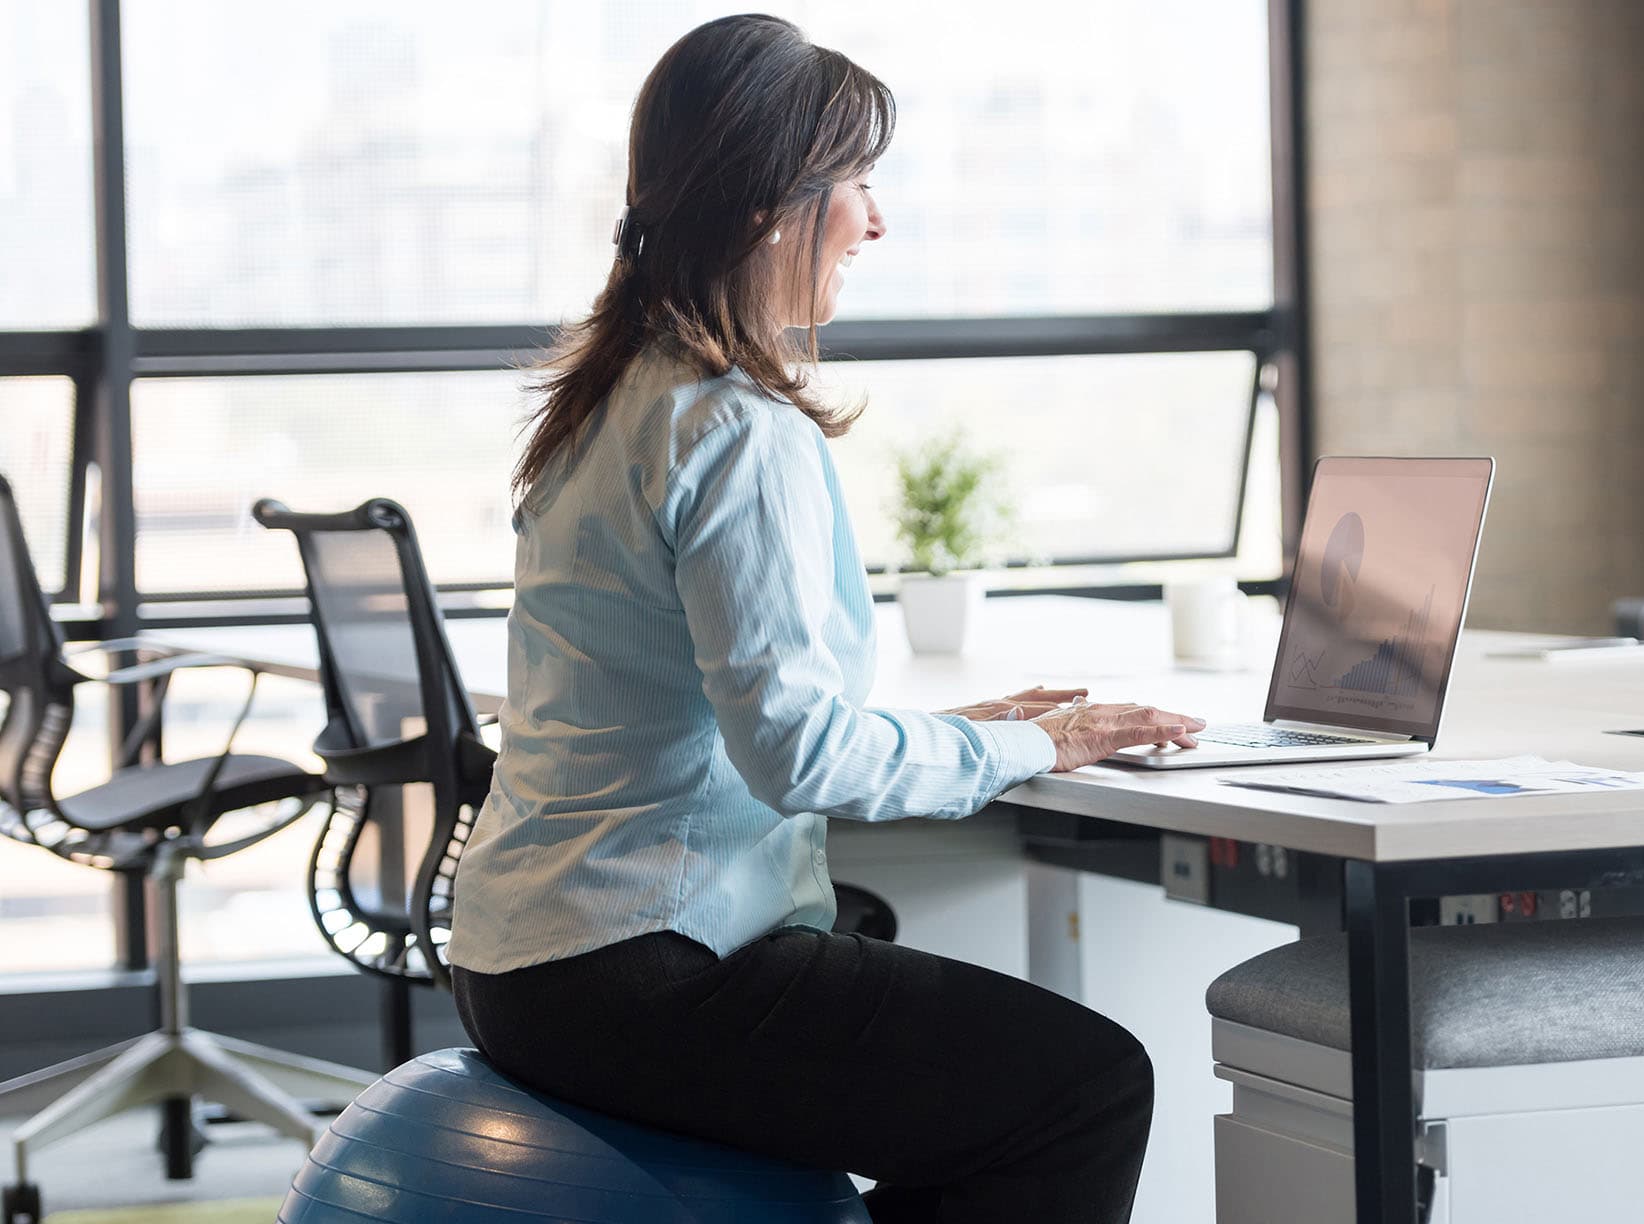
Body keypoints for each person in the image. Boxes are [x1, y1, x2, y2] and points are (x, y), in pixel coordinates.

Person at [445, 15, 1205, 1224]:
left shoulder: (607, 397)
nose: (877, 220)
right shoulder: (736, 426)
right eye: (855, 182)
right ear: (765, 206)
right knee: (1087, 1089)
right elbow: (798, 755)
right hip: (643, 966)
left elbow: (701, 707)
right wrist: (1039, 745)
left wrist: (963, 727)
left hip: (518, 962)